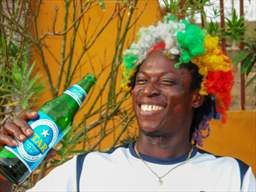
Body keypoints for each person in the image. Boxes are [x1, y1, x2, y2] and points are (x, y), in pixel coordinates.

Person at [0, 15, 255, 192]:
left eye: (166, 82)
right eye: (141, 80)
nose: (148, 91)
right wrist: (3, 169)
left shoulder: (232, 177)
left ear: (196, 96)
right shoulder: (84, 171)